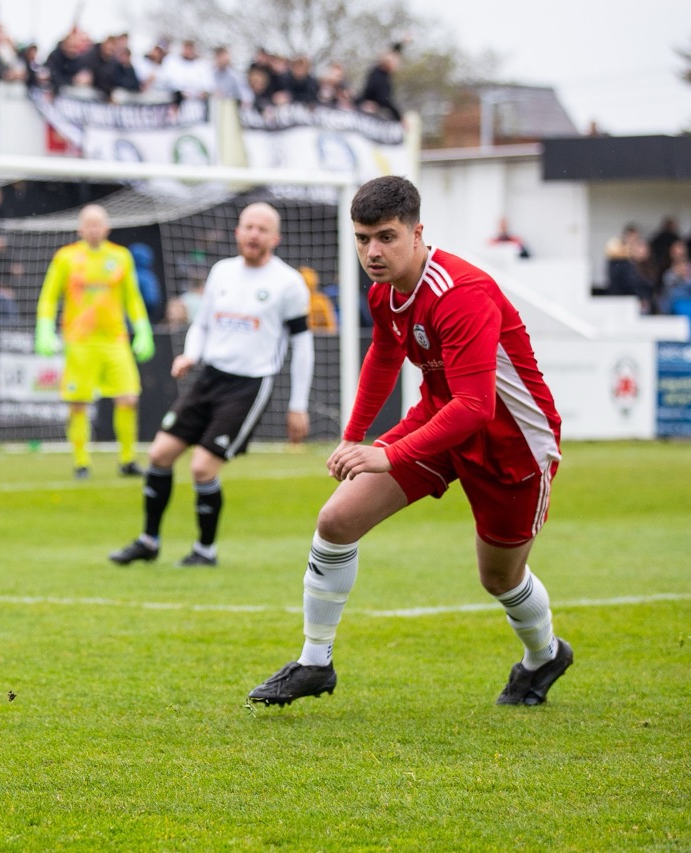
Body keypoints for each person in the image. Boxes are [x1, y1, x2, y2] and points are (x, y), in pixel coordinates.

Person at [248, 176, 571, 709]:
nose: (372, 252)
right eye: (362, 238)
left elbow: (477, 406)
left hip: (511, 443)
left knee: (499, 578)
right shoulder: (384, 291)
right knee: (336, 521)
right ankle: (314, 662)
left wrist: (389, 453)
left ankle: (545, 655)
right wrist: (353, 437)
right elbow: (383, 356)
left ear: (417, 233)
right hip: (440, 421)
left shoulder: (460, 294)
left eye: (386, 237)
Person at [109, 203, 314, 568]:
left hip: (249, 386)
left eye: (262, 229)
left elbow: (303, 345)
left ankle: (205, 551)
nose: (254, 234)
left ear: (275, 238)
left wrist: (298, 405)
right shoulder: (222, 272)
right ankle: (149, 541)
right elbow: (202, 324)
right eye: (248, 227)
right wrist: (190, 355)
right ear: (238, 232)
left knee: (202, 468)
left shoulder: (288, 283)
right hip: (208, 377)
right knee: (159, 454)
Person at [35, 204, 154, 478]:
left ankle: (127, 461)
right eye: (89, 224)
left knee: (128, 398)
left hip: (115, 340)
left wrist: (143, 329)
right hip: (80, 342)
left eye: (98, 224)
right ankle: (81, 463)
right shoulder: (66, 257)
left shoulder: (121, 256)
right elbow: (49, 296)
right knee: (78, 403)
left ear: (107, 227)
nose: (93, 229)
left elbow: (133, 298)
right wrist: (44, 329)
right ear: (80, 229)